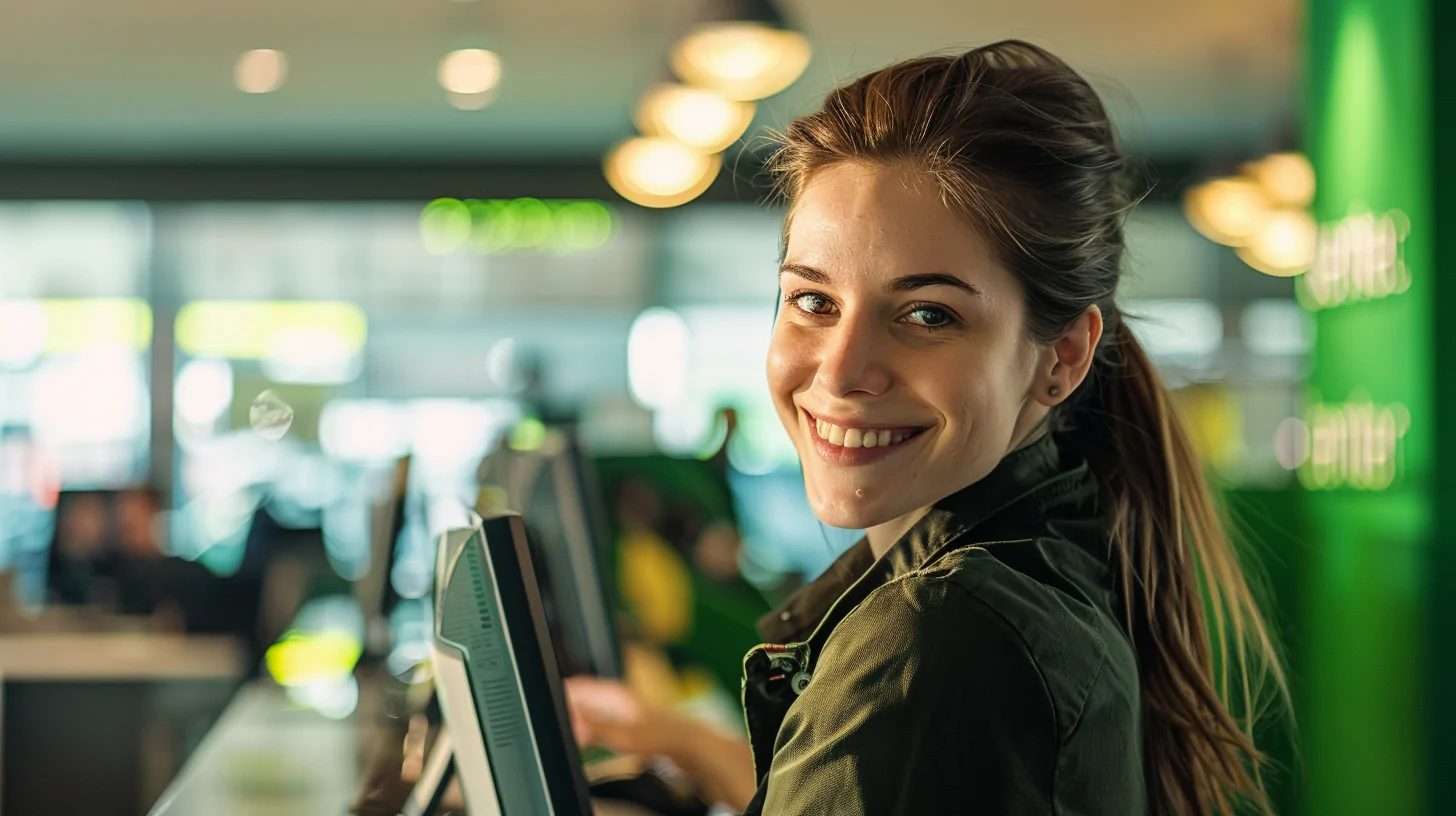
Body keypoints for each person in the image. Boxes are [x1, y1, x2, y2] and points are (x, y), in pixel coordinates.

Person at [568, 40, 1288, 815]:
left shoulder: (933, 641)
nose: (841, 373)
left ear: (1062, 357)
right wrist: (677, 742)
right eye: (813, 300)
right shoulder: (1016, 577)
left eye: (926, 314)